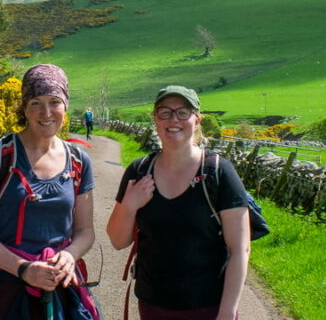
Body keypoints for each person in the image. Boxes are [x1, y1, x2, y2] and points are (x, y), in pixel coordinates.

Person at [106, 85, 250, 320]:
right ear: (155, 119)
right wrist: (130, 205)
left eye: (183, 112)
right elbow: (118, 240)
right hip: (153, 305)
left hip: (209, 307)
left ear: (197, 119)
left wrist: (227, 311)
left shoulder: (219, 173)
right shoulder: (139, 171)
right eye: (165, 112)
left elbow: (240, 250)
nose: (174, 119)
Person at [0, 64, 99, 319]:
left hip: (57, 283)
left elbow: (85, 231)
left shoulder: (79, 161)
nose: (46, 112)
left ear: (65, 106)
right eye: (36, 102)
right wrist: (24, 269)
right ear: (24, 108)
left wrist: (69, 256)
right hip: (3, 286)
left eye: (54, 102)